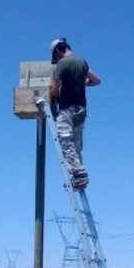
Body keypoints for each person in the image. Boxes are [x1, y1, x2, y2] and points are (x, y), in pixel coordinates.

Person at [50, 38, 101, 189]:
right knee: (76, 144)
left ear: (58, 51)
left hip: (67, 108)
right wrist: (83, 82)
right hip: (81, 109)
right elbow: (96, 80)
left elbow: (55, 89)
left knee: (64, 140)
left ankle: (79, 172)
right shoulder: (82, 62)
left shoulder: (62, 64)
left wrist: (52, 95)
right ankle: (79, 178)